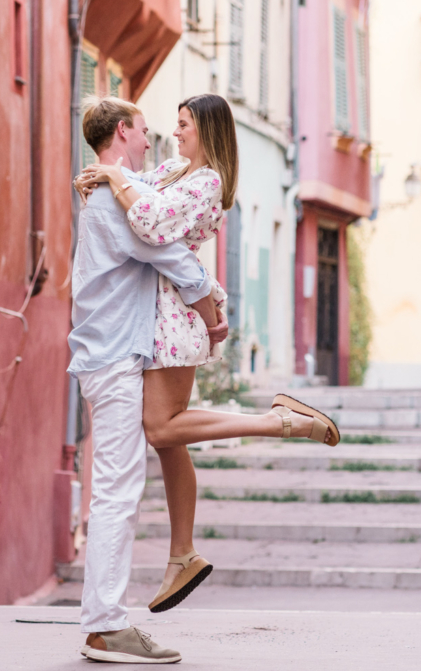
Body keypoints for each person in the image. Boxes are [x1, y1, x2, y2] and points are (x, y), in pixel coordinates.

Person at [76, 94, 340, 619]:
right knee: (171, 441)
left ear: (207, 130)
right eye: (171, 125)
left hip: (173, 315)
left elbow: (150, 226)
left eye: (183, 125)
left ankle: (279, 422)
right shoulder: (177, 169)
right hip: (155, 314)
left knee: (162, 429)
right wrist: (109, 177)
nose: (173, 135)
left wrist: (111, 176)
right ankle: (182, 554)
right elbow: (142, 191)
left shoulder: (208, 182)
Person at [69, 96, 226, 664]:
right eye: (143, 131)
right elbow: (169, 254)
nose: (150, 141)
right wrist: (213, 311)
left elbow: (165, 227)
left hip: (111, 354)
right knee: (116, 491)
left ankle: (106, 621)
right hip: (111, 358)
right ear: (122, 131)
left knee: (119, 488)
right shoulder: (114, 197)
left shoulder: (116, 188)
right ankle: (106, 626)